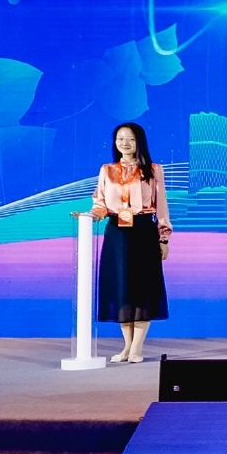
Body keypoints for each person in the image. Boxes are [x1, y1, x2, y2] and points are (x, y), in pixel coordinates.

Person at [91, 122, 170, 364]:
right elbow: (100, 201)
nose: (124, 143)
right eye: (120, 138)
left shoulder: (153, 170)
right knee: (121, 286)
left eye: (130, 139)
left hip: (144, 231)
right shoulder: (107, 170)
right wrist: (93, 214)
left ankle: (137, 347)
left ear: (139, 142)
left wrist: (164, 237)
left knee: (143, 288)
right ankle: (126, 346)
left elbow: (161, 205)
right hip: (117, 233)